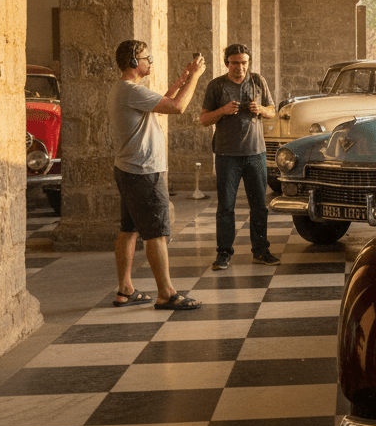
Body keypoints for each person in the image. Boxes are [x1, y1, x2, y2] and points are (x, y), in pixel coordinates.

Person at [108, 40, 207, 310]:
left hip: (128, 169)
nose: (150, 61)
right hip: (143, 172)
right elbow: (176, 107)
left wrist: (179, 82)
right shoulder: (130, 90)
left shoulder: (125, 90)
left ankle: (125, 289)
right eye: (146, 58)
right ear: (132, 62)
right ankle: (166, 293)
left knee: (128, 230)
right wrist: (196, 77)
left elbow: (162, 101)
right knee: (157, 234)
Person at [200, 43, 278, 270]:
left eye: (244, 62)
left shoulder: (258, 81)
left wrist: (261, 109)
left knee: (259, 206)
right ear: (227, 63)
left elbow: (272, 111)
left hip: (255, 153)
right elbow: (204, 119)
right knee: (226, 207)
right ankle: (223, 253)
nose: (240, 67)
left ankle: (261, 251)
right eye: (235, 63)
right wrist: (222, 111)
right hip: (227, 155)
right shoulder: (216, 86)